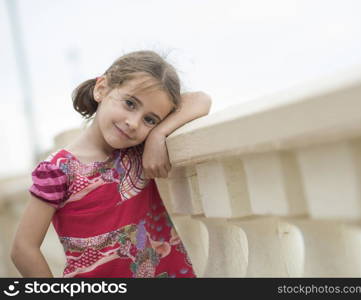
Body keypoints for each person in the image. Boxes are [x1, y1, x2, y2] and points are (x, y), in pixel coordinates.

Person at [10, 50, 212, 278]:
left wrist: (158, 134)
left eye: (150, 119)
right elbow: (23, 249)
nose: (134, 123)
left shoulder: (136, 150)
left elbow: (201, 99)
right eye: (130, 103)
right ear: (101, 89)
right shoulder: (57, 169)